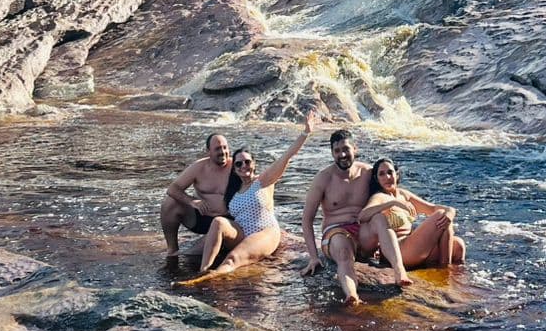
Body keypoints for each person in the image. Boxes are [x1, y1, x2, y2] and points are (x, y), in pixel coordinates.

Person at [177, 112, 318, 282]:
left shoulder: (264, 180)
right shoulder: (233, 190)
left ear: (254, 164)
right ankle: (203, 271)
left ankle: (205, 280)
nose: (244, 166)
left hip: (264, 231)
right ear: (234, 169)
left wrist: (306, 132)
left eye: (247, 162)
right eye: (238, 164)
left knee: (232, 259)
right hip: (242, 233)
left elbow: (287, 156)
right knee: (218, 222)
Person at [301, 129, 412, 304]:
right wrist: (314, 257)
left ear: (355, 148)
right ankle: (352, 295)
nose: (342, 155)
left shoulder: (368, 173)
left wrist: (405, 204)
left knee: (379, 218)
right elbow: (307, 220)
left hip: (364, 232)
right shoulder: (323, 179)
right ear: (332, 153)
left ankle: (400, 272)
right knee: (344, 251)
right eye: (337, 151)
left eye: (346, 149)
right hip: (335, 233)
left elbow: (391, 189)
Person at [359, 157, 466, 268]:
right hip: (396, 249)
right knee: (440, 215)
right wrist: (392, 204)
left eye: (390, 172)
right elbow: (362, 216)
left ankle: (450, 275)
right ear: (377, 179)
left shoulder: (404, 195)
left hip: (412, 246)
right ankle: (445, 268)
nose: (387, 177)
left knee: (458, 245)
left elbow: (432, 208)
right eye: (381, 174)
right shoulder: (380, 197)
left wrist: (451, 212)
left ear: (397, 174)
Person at [160, 132, 234, 264]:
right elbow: (173, 189)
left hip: (229, 221)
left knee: (193, 255)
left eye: (225, 147)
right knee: (170, 203)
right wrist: (192, 201)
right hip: (202, 218)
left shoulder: (238, 167)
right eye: (217, 149)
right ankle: (172, 248)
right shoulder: (198, 167)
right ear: (208, 152)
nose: (222, 152)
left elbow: (257, 187)